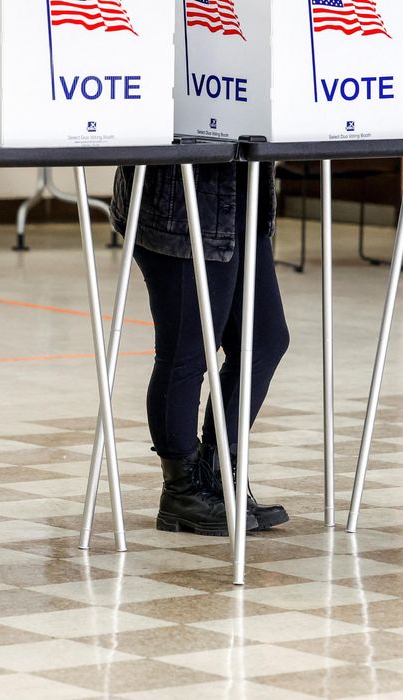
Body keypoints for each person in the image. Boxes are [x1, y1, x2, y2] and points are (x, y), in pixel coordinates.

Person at [111, 163, 291, 536]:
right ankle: (182, 491)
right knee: (186, 351)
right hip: (175, 204)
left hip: (241, 194)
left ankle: (217, 475)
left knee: (263, 340)